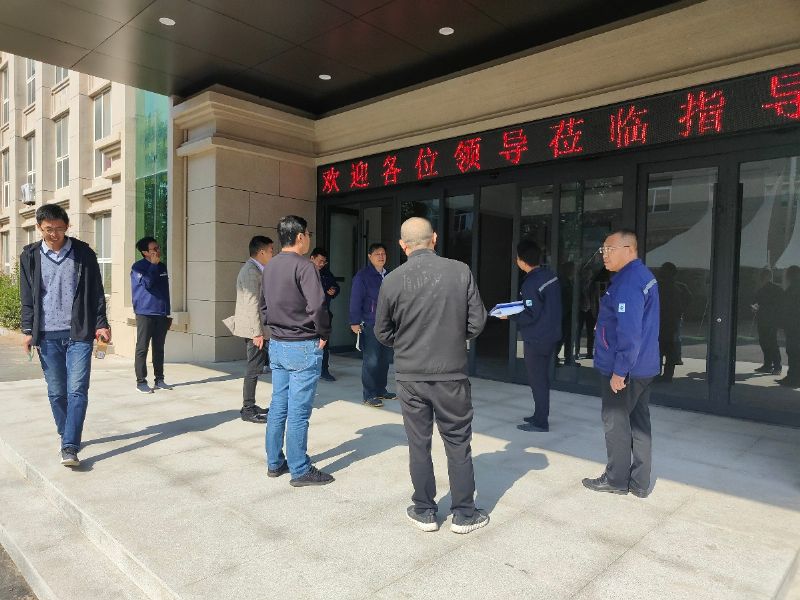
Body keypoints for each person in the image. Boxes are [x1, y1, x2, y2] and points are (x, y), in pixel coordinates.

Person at [375, 217, 489, 534]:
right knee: (458, 442)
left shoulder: (392, 280)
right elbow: (477, 322)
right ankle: (464, 514)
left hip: (410, 376)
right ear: (434, 238)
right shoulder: (460, 271)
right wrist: (452, 338)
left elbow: (382, 331)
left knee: (418, 443)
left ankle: (424, 510)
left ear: (402, 245)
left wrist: (407, 343)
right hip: (451, 374)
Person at [19, 204, 111, 468]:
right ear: (39, 228)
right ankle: (66, 432)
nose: (54, 234)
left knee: (77, 390)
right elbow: (27, 297)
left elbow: (96, 292)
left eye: (59, 228)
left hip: (79, 332)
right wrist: (28, 331)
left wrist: (101, 324)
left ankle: (70, 445)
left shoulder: (83, 253)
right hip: (47, 335)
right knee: (57, 392)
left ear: (67, 226)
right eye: (48, 229)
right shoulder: (30, 256)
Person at [583, 229, 660, 498]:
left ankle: (616, 479)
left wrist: (619, 371)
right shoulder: (642, 276)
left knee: (615, 422)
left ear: (629, 250)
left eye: (609, 249)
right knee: (639, 423)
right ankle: (639, 482)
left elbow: (630, 332)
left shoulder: (628, 282)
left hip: (627, 368)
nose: (604, 255)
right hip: (644, 365)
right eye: (603, 250)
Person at [260, 215, 334, 487]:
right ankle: (300, 469)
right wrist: (324, 333)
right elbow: (317, 306)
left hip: (278, 343)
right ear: (300, 236)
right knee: (299, 412)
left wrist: (274, 328)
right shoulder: (305, 266)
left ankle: (274, 462)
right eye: (308, 234)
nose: (309, 239)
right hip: (302, 343)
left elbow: (263, 305)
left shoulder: (270, 266)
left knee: (279, 405)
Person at [507, 239, 562, 432]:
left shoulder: (531, 283)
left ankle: (541, 421)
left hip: (536, 338)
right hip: (551, 335)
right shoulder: (550, 276)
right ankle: (540, 414)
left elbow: (531, 314)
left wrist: (509, 315)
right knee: (542, 379)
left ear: (521, 261)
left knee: (537, 380)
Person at [223, 236, 273, 423]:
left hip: (257, 328)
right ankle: (248, 409)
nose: (272, 254)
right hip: (255, 330)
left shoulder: (256, 269)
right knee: (253, 369)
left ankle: (250, 405)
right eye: (271, 250)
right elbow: (253, 304)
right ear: (261, 252)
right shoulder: (251, 271)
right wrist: (257, 333)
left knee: (256, 368)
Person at [350, 242, 394, 408]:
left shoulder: (389, 275)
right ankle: (369, 395)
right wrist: (354, 321)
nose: (381, 256)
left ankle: (381, 390)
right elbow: (355, 299)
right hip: (370, 322)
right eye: (377, 254)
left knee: (385, 359)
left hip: (388, 324)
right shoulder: (363, 276)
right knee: (372, 360)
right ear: (370, 257)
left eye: (383, 254)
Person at [131, 236, 172, 393]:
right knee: (142, 347)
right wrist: (153, 266)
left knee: (159, 348)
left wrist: (167, 312)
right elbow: (147, 283)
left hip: (160, 313)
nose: (158, 251)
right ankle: (141, 382)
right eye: (154, 249)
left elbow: (164, 291)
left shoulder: (162, 266)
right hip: (145, 313)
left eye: (158, 247)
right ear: (145, 252)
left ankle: (159, 379)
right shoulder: (138, 267)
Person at [656, 262, 692, 382]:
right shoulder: (679, 287)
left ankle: (660, 375)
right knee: (668, 349)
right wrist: (681, 311)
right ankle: (666, 376)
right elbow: (688, 299)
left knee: (661, 349)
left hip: (663, 322)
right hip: (670, 322)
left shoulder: (658, 286)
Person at [310, 247, 340, 381]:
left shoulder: (326, 273)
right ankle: (310, 369)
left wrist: (334, 290)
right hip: (308, 315)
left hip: (324, 313)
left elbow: (335, 286)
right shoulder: (304, 271)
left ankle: (324, 370)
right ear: (312, 258)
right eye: (320, 261)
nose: (322, 264)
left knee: (324, 342)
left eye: (324, 262)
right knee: (309, 343)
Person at [751, 268, 783, 375]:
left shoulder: (770, 289)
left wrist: (755, 307)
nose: (761, 278)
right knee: (766, 342)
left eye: (763, 276)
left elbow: (756, 303)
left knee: (770, 342)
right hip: (765, 319)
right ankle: (769, 365)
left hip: (769, 320)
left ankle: (775, 366)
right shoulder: (764, 289)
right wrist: (755, 307)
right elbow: (756, 302)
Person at [777, 266, 800, 387]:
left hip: (793, 326)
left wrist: (782, 323)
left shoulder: (792, 290)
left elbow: (786, 309)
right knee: (795, 352)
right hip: (795, 325)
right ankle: (794, 377)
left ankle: (793, 378)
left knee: (793, 352)